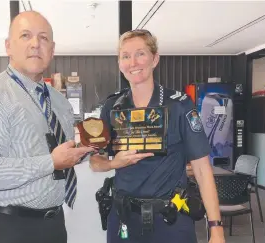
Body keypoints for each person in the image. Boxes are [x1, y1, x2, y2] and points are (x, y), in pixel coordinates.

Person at [0, 11, 94, 243]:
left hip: (53, 225)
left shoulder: (59, 101)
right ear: (8, 46)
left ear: (52, 50)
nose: (35, 44)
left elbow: (57, 152)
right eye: (25, 36)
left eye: (43, 38)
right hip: (5, 228)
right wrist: (50, 162)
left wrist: (87, 153)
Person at [90, 29, 225, 243]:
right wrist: (113, 163)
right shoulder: (112, 107)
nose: (133, 62)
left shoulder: (179, 104)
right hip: (124, 219)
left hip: (171, 220)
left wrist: (216, 227)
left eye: (140, 53)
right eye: (125, 56)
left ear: (155, 59)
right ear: (119, 63)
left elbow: (202, 168)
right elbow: (95, 162)